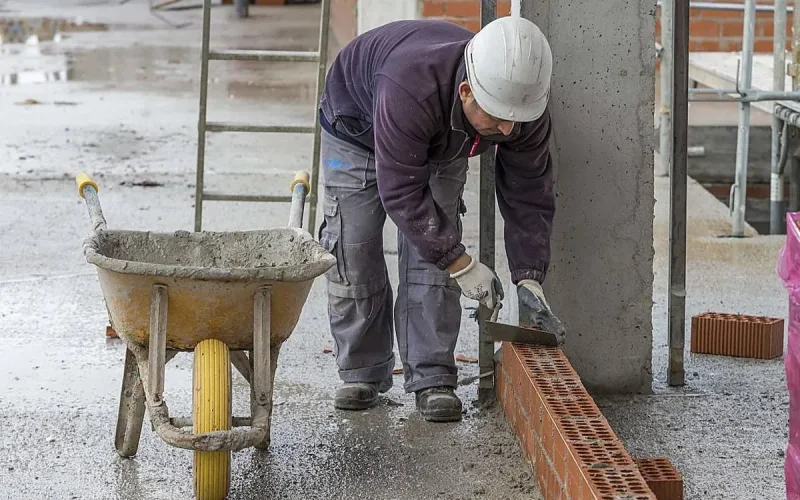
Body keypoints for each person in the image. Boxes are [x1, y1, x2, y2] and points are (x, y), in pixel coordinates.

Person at [316, 15, 565, 423]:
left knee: (432, 261)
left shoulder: (520, 105)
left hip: (446, 141)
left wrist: (529, 275)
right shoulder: (410, 86)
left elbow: (529, 191)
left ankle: (432, 377)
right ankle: (362, 371)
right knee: (354, 248)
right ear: (467, 91)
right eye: (497, 117)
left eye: (514, 120)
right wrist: (462, 264)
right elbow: (401, 191)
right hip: (355, 127)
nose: (507, 129)